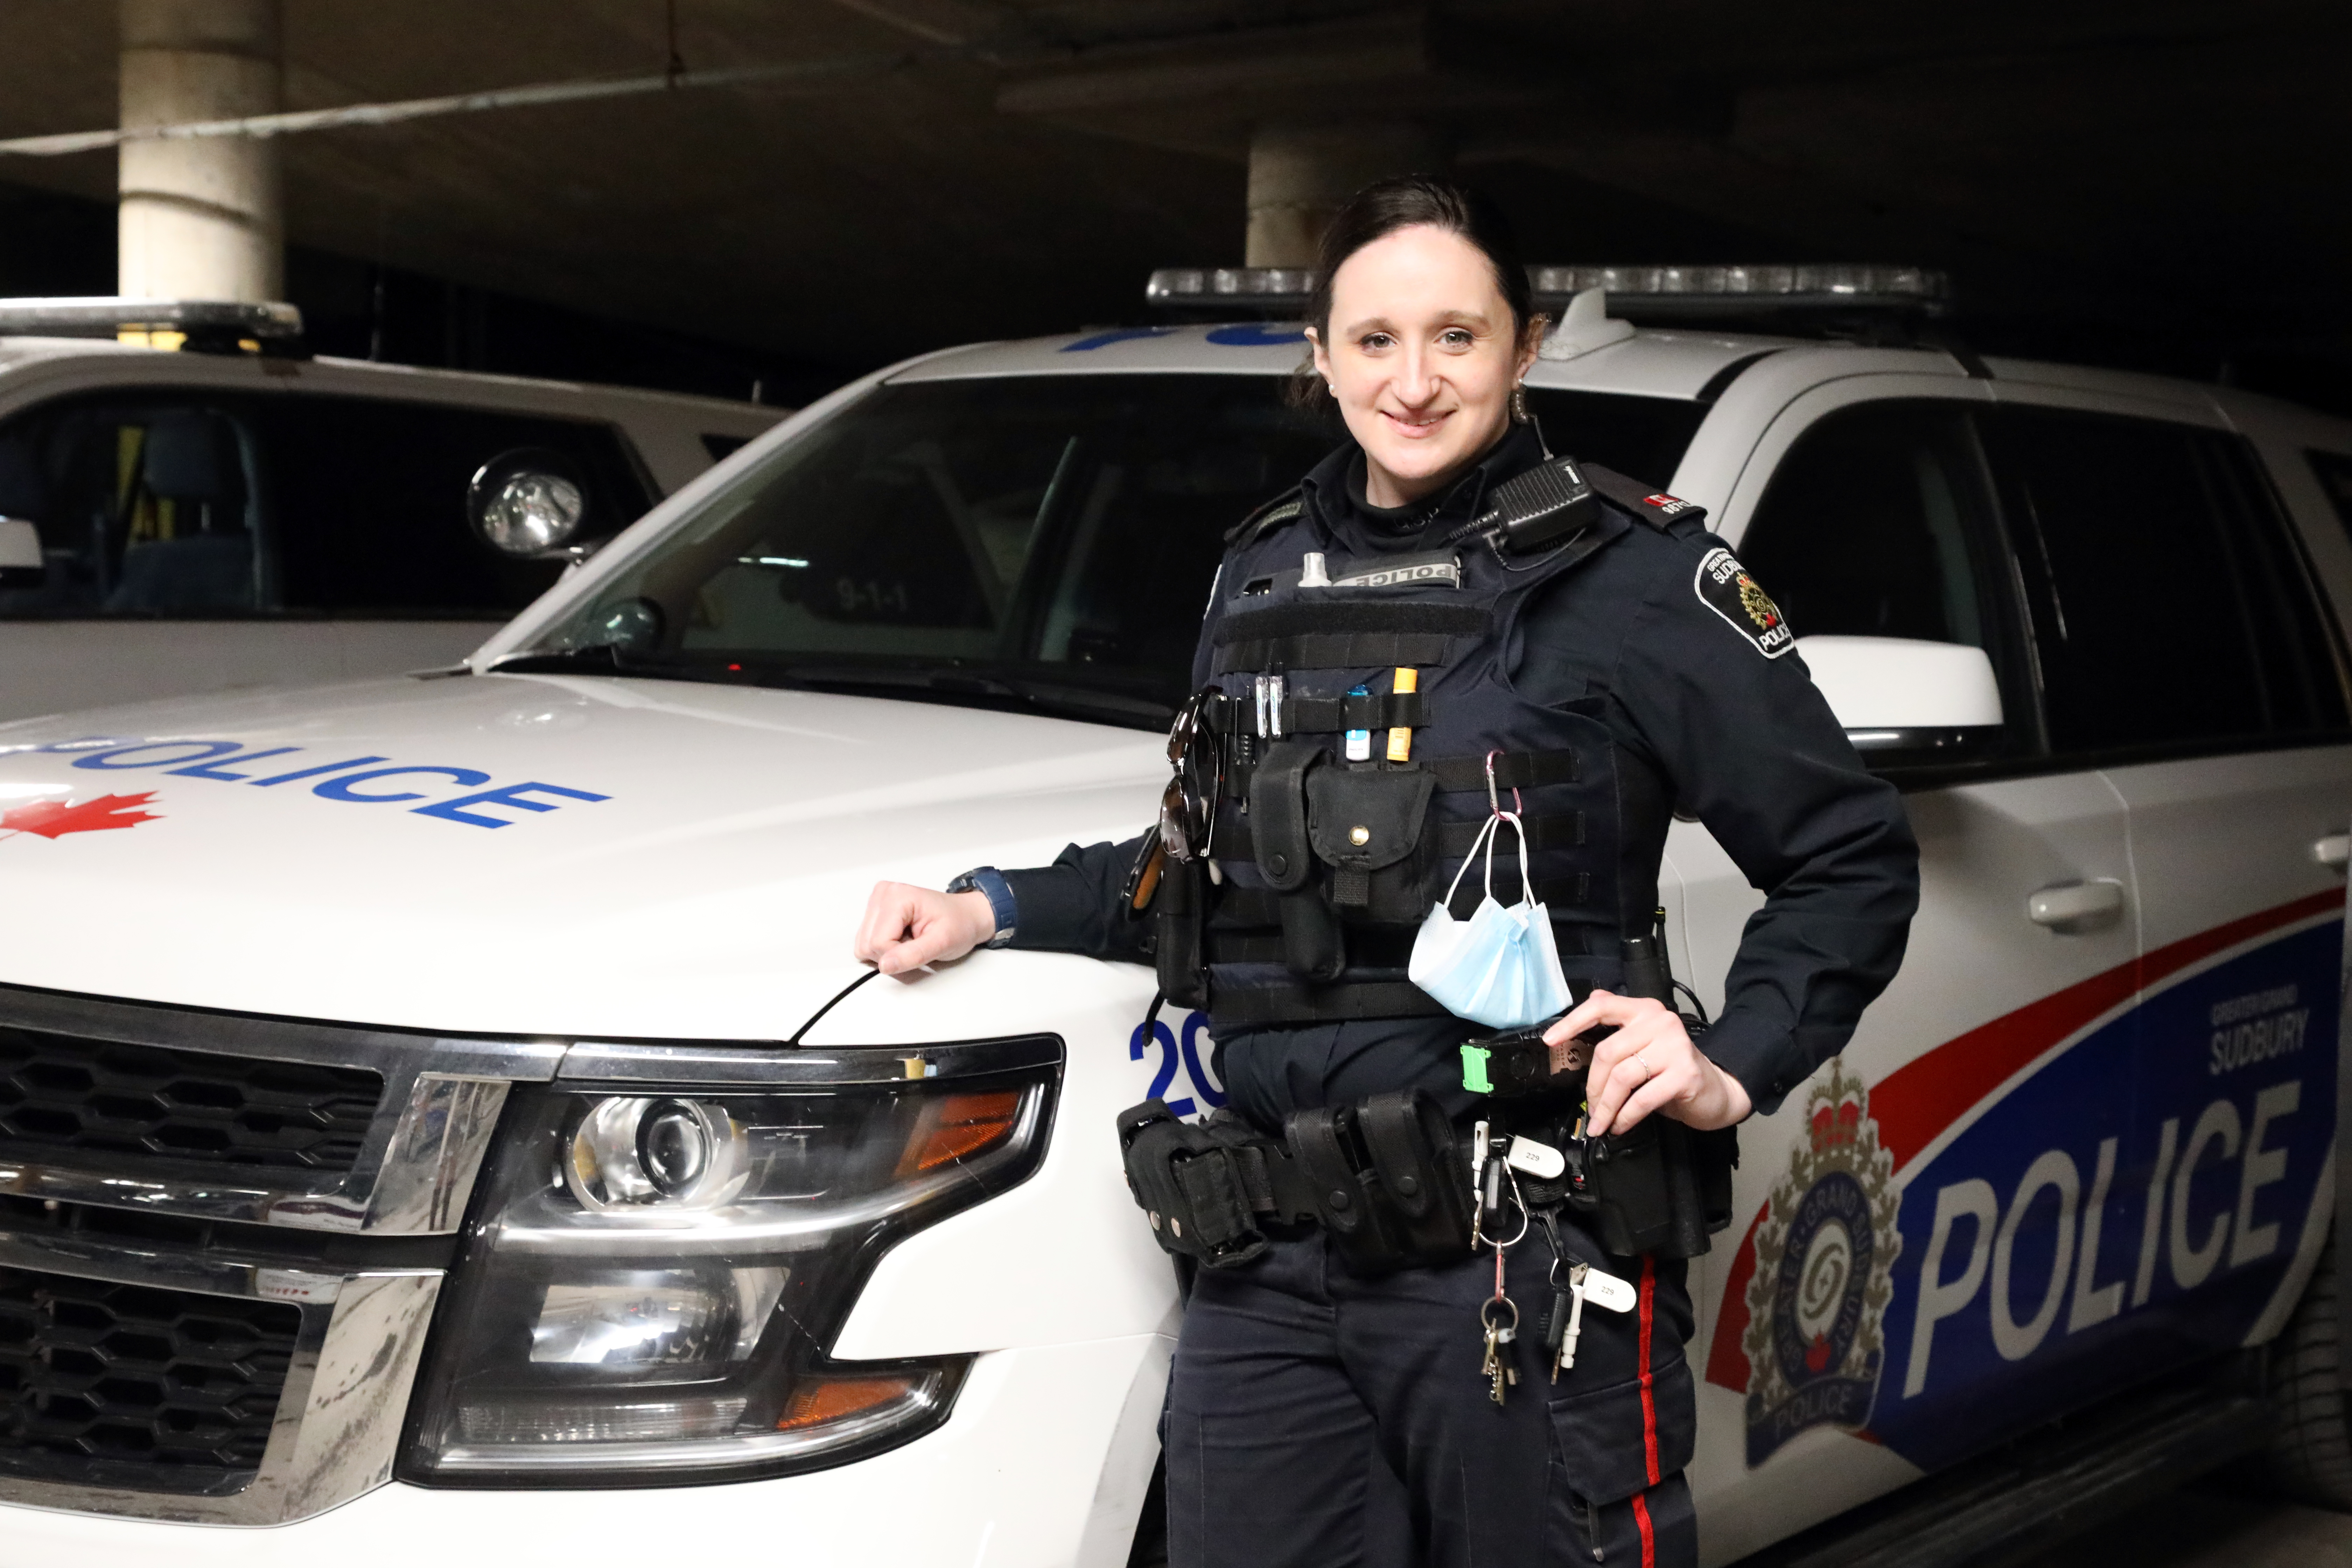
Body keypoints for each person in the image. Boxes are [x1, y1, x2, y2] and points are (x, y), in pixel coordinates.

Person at [853, 176, 1919, 1568]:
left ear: (1525, 346)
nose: (1412, 383)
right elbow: (1211, 865)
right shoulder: (1262, 573)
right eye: (1373, 341)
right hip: (1267, 1267)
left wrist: (1735, 1061)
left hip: (1520, 1243)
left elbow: (1849, 856)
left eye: (1456, 338)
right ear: (1322, 352)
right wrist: (992, 901)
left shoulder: (1637, 574)